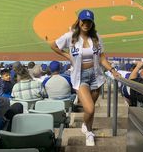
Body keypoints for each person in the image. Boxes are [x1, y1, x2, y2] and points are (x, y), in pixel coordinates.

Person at [51, 9, 121, 146]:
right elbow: (53, 46)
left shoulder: (96, 37)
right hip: (80, 77)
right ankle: (89, 132)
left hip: (96, 76)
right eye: (84, 21)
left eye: (89, 21)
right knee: (89, 109)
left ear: (92, 23)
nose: (86, 24)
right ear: (79, 21)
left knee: (92, 108)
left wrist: (112, 70)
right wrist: (68, 56)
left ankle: (86, 125)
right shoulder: (70, 36)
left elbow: (101, 57)